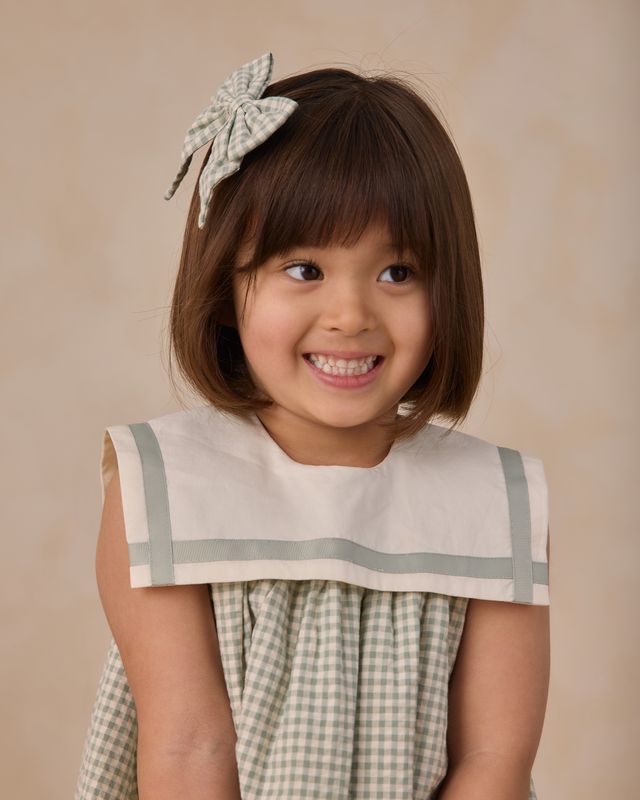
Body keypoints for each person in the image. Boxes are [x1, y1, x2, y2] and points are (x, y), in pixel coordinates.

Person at [75, 52, 551, 800]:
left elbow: (494, 761)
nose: (351, 315)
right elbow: (189, 744)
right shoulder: (165, 486)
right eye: (304, 269)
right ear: (226, 284)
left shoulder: (489, 500)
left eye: (397, 273)